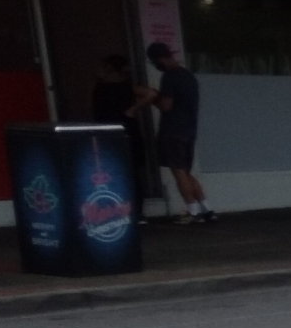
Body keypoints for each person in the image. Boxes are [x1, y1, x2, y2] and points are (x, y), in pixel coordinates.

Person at [136, 41, 215, 222]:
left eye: (155, 62)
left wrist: (154, 96)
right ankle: (207, 209)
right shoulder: (188, 76)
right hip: (188, 130)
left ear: (160, 59)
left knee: (179, 173)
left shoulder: (170, 77)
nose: (156, 66)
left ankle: (192, 212)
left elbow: (166, 105)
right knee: (186, 172)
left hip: (173, 130)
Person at [87, 53, 152, 218]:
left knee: (114, 172)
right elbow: (151, 93)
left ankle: (119, 209)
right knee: (132, 173)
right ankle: (136, 211)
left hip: (109, 133)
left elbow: (151, 93)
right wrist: (133, 110)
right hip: (126, 130)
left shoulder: (101, 88)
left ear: (109, 69)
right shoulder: (127, 87)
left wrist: (132, 109)